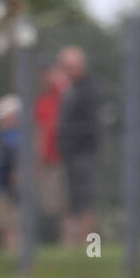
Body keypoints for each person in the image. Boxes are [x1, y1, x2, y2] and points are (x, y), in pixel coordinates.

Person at [56, 46, 100, 245]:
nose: (66, 70)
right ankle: (72, 245)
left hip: (83, 153)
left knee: (85, 201)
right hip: (69, 153)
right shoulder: (69, 89)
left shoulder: (87, 89)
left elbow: (88, 123)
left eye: (70, 66)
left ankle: (89, 245)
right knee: (71, 200)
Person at [33, 65, 68, 240]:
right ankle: (64, 241)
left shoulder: (62, 95)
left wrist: (60, 80)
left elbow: (66, 90)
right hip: (49, 159)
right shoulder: (42, 101)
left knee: (67, 204)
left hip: (65, 158)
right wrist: (38, 160)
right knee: (54, 204)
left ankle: (73, 242)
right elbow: (40, 132)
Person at [0, 95, 22, 254]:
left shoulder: (17, 137)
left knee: (12, 225)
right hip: (3, 186)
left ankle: (13, 253)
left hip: (11, 188)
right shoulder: (5, 137)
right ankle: (9, 252)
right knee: (5, 225)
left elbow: (17, 164)